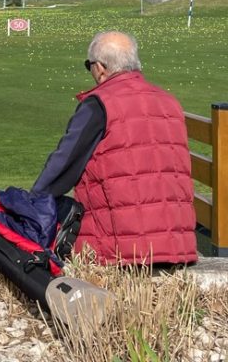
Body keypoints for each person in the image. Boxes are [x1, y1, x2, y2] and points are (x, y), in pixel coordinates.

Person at [31, 31, 197, 265]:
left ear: (99, 68)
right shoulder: (169, 102)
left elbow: (62, 166)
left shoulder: (99, 104)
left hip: (121, 250)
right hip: (178, 246)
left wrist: (30, 202)